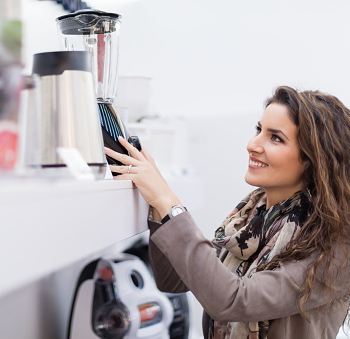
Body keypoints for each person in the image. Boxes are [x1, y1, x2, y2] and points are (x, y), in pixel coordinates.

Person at [104, 86, 350, 339]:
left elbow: (235, 300)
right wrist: (157, 199)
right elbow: (173, 280)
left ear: (313, 160)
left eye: (275, 138)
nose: (252, 145)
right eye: (258, 130)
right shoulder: (251, 218)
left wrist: (169, 202)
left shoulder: (334, 247)